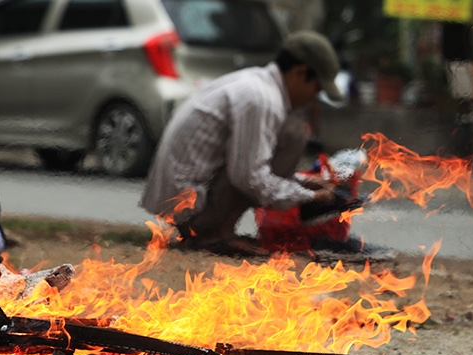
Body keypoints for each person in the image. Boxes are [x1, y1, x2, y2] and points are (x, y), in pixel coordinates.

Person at [140, 30, 344, 256]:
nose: (312, 98)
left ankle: (214, 231)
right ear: (300, 73)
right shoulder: (261, 99)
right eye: (315, 89)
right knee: (294, 132)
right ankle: (213, 236)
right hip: (189, 210)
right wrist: (310, 197)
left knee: (290, 131)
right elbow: (249, 176)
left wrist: (304, 182)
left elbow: (252, 163)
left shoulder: (257, 82)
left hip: (185, 200)